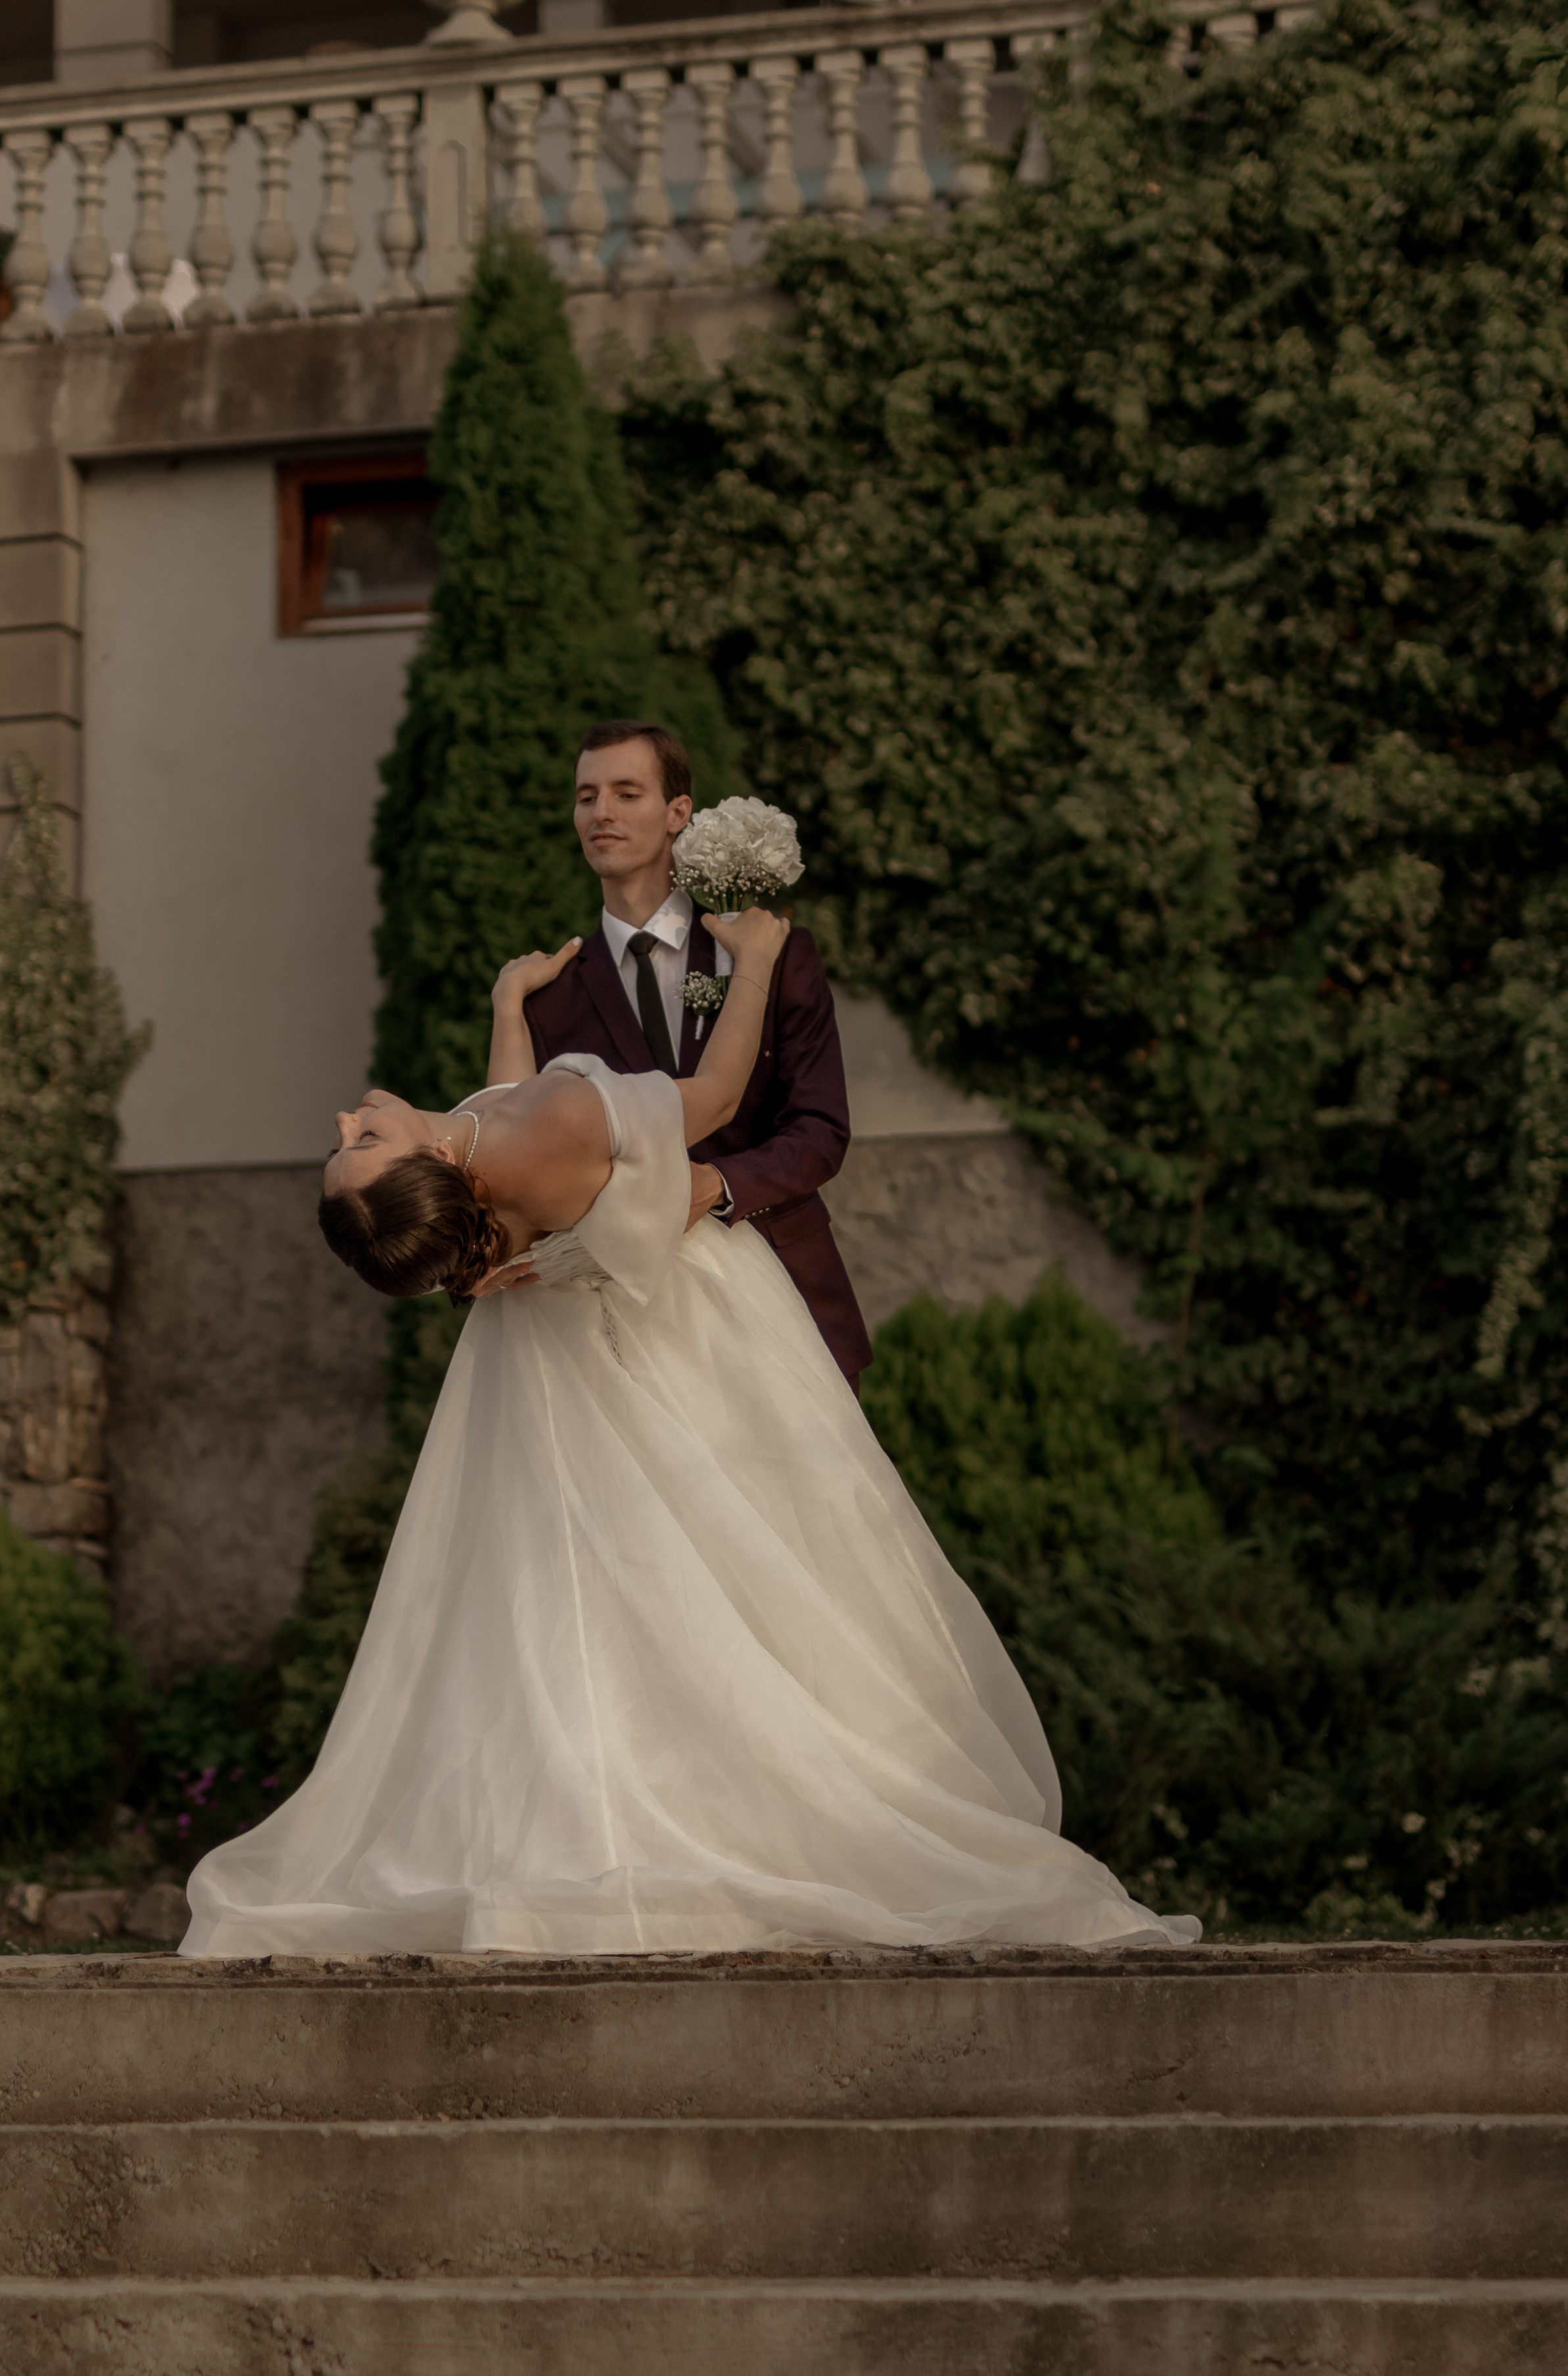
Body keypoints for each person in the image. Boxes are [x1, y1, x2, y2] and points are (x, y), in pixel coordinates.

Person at [179, 895, 1197, 1959]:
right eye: (363, 1145)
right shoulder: (548, 1134)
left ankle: (593, 1816)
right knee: (722, 1565)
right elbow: (707, 1097)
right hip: (681, 1323)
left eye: (351, 1140)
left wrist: (507, 1003)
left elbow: (492, 1106)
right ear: (424, 1168)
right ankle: (745, 1820)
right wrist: (755, 961)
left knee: (573, 1598)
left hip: (550, 1371)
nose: (348, 1123)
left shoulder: (473, 1197)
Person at [521, 720, 872, 1391]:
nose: (602, 812)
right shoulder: (553, 995)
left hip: (787, 1303)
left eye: (627, 792)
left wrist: (716, 1185)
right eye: (586, 795)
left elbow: (821, 1131)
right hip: (635, 1330)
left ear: (679, 811)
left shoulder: (774, 952)